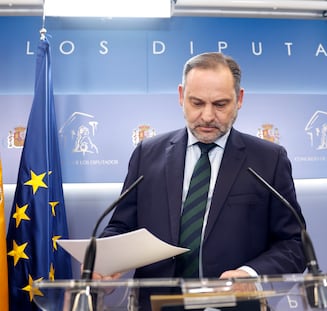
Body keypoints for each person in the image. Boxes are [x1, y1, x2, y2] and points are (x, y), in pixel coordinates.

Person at [97, 52, 307, 310]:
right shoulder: (147, 154)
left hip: (233, 305)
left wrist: (250, 273)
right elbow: (121, 226)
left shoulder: (268, 160)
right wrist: (105, 261)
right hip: (156, 304)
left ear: (239, 99)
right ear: (180, 96)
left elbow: (294, 245)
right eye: (196, 103)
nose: (207, 116)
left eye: (220, 104)